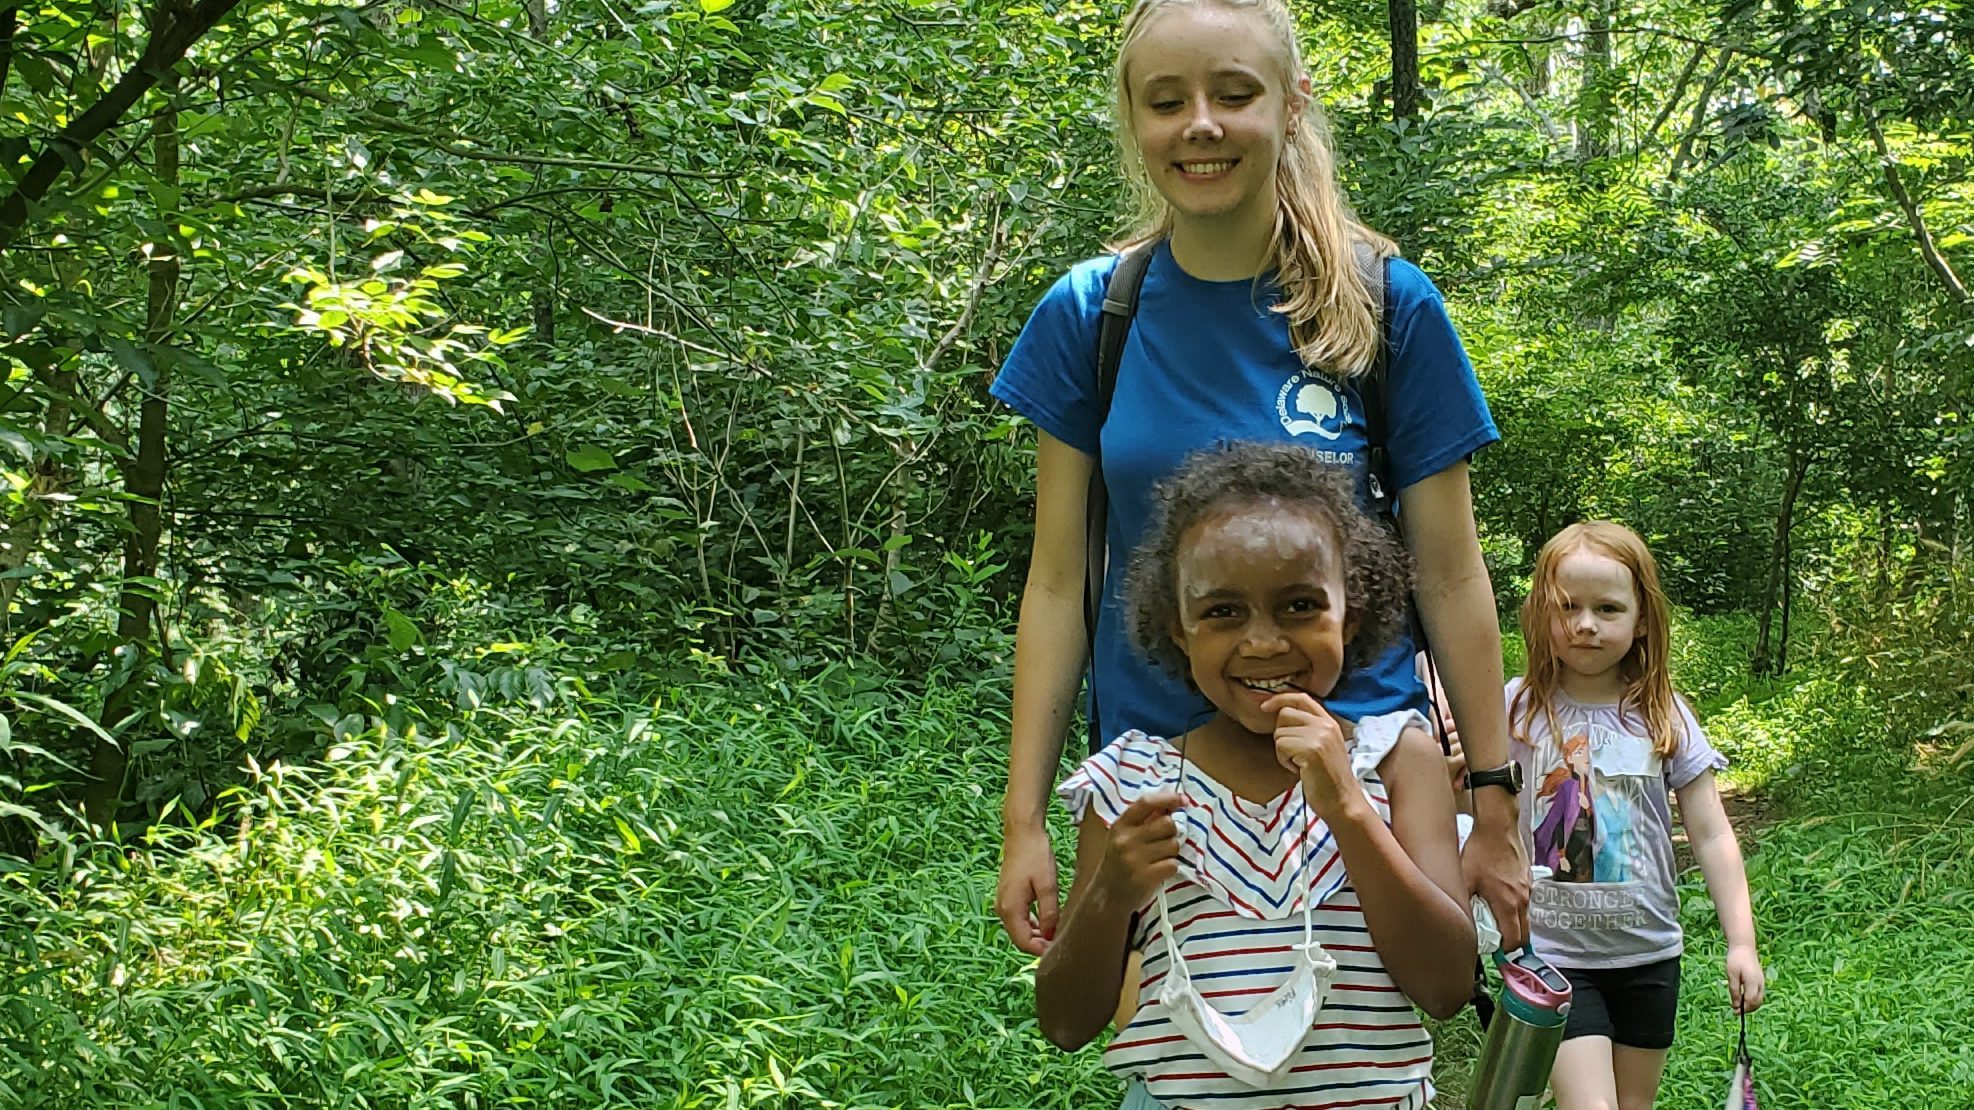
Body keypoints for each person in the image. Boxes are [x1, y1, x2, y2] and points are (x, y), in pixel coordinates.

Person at [991, 0, 1529, 962]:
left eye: (1234, 93)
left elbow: (1451, 575)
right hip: (1159, 792)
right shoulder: (1087, 316)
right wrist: (1025, 816)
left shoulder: (1384, 306)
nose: (1201, 124)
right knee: (1176, 1072)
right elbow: (1057, 583)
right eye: (1168, 101)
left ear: (1291, 104)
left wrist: (1492, 803)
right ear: (1135, 120)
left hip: (1357, 779)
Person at [1037, 443, 1474, 1109]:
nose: (1264, 642)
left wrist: (1350, 810)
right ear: (1178, 631)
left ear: (1348, 614)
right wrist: (1111, 896)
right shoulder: (1130, 784)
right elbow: (1065, 1023)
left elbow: (1446, 987)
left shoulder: (1398, 758)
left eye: (1300, 606)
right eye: (1222, 612)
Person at [1508, 521, 1766, 1110]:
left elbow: (1711, 832)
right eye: (1567, 606)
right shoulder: (1517, 710)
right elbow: (1475, 808)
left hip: (1649, 955)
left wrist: (1741, 943)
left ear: (1642, 618)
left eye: (1607, 608)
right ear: (1541, 613)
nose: (1586, 624)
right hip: (1554, 956)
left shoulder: (1662, 713)